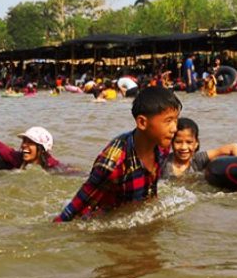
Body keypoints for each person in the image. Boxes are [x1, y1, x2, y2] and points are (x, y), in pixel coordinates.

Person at [56, 86, 181, 221]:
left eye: (176, 120)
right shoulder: (113, 163)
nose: (174, 128)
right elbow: (75, 208)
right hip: (108, 222)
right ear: (142, 122)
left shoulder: (162, 145)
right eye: (168, 121)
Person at [163, 117, 237, 178]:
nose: (184, 147)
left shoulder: (198, 159)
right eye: (178, 142)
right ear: (171, 143)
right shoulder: (163, 163)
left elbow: (234, 147)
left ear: (196, 143)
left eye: (189, 142)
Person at [0, 126, 66, 171]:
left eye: (30, 142)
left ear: (41, 149)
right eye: (24, 141)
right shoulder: (16, 158)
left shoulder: (52, 165)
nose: (24, 145)